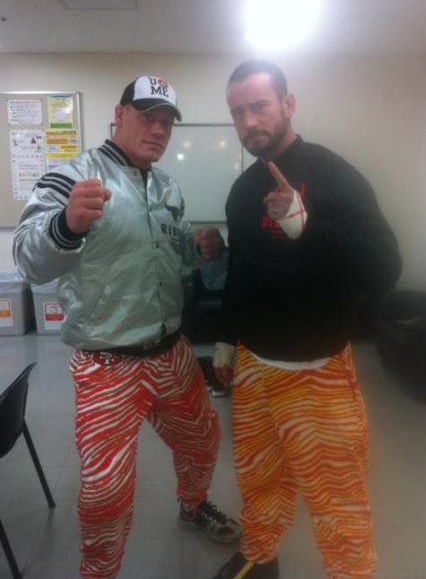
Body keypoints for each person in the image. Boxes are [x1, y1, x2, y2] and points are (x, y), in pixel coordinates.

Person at [13, 74, 240, 579]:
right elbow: (28, 260)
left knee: (203, 441)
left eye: (166, 122)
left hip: (172, 352)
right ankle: (100, 572)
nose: (158, 130)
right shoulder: (73, 177)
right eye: (147, 116)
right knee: (105, 492)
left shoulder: (167, 186)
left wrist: (200, 246)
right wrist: (65, 225)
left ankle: (192, 506)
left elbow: (174, 252)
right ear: (119, 115)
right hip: (106, 364)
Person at [212, 60, 402, 579]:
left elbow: (384, 269)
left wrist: (306, 227)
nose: (248, 121)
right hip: (255, 368)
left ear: (288, 104)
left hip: (318, 374)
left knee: (338, 500)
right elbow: (241, 271)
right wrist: (226, 337)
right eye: (237, 112)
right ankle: (260, 558)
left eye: (259, 106)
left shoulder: (333, 174)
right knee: (258, 480)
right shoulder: (242, 190)